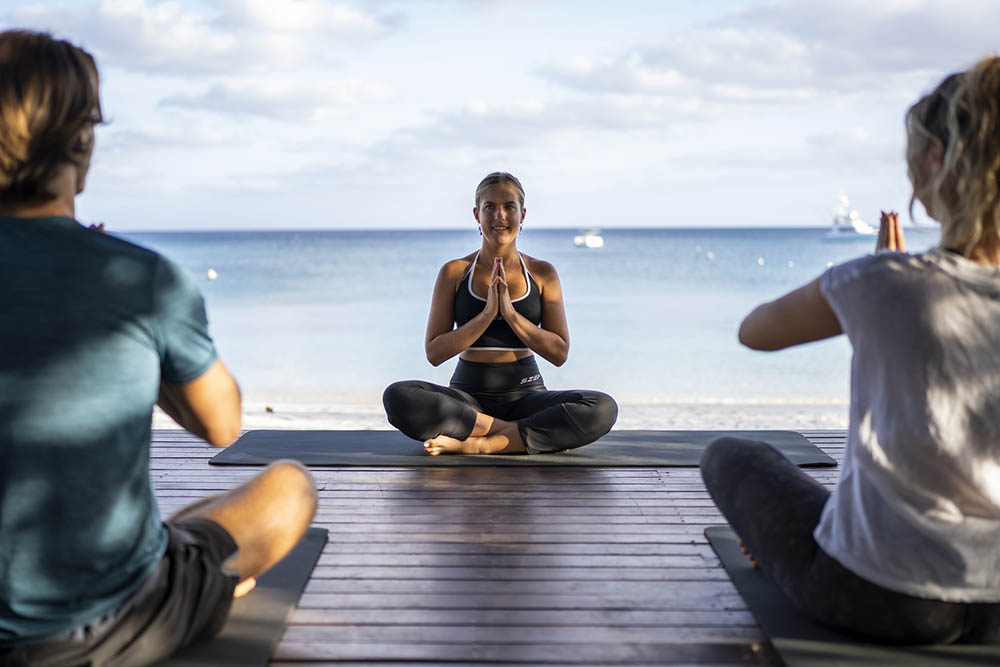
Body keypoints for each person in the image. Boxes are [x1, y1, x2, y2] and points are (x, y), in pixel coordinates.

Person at [0, 31, 317, 666]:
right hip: (92, 628)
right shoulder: (140, 278)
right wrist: (127, 317)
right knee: (290, 487)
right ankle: (201, 584)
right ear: (81, 139)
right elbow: (221, 424)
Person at [701, 57, 1000, 644]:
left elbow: (754, 331)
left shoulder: (879, 282)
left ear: (939, 161)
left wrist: (875, 274)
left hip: (880, 594)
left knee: (732, 455)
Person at [383, 172, 618, 455]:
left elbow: (559, 353)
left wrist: (510, 314)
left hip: (527, 394)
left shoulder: (543, 273)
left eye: (509, 206)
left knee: (602, 408)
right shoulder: (454, 272)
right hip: (468, 401)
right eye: (489, 207)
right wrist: (485, 316)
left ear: (523, 214)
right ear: (476, 214)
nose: (500, 216)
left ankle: (481, 445)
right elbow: (434, 353)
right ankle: (522, 432)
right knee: (398, 397)